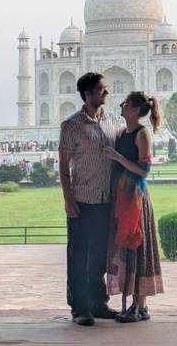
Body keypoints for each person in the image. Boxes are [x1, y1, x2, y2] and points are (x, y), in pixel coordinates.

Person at [59, 72, 120, 326]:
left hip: (107, 199)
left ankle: (99, 303)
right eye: (101, 90)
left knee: (100, 255)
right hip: (82, 199)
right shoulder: (71, 125)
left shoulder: (112, 120)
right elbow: (63, 167)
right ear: (88, 94)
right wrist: (68, 199)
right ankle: (80, 308)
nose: (106, 93)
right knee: (79, 256)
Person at [103, 92, 164, 322]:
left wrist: (117, 158)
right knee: (126, 250)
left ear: (136, 110)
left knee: (138, 247)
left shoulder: (142, 134)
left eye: (126, 104)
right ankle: (132, 305)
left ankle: (141, 306)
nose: (122, 105)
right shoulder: (121, 132)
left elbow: (145, 170)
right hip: (122, 196)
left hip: (136, 198)